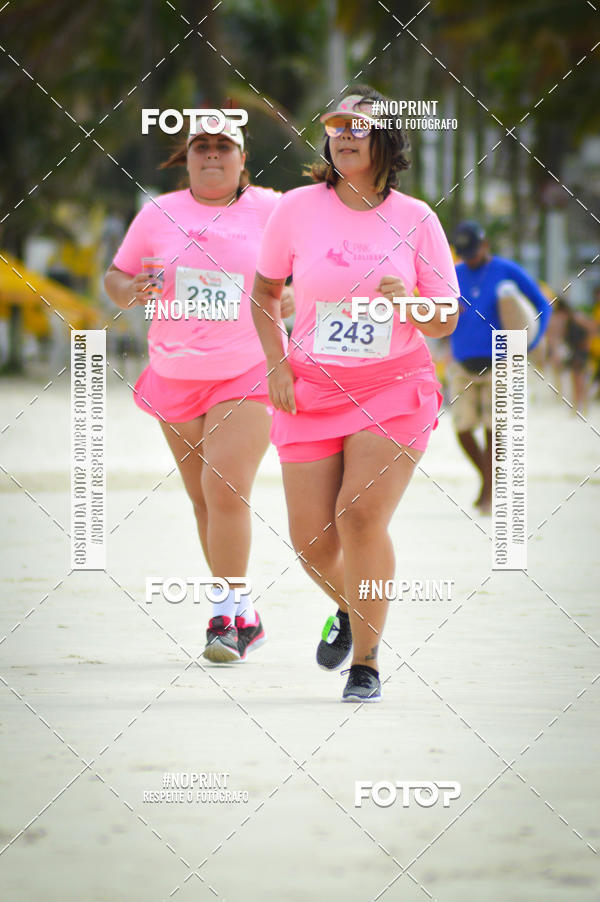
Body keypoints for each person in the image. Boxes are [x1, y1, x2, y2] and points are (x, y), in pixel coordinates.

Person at [251, 86, 459, 703]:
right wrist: (277, 364)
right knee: (314, 543)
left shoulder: (417, 218)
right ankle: (351, 607)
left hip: (394, 387)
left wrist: (412, 304)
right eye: (335, 124)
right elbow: (263, 295)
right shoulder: (294, 208)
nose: (344, 133)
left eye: (358, 125)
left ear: (386, 138)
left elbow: (446, 316)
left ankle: (365, 663)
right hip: (311, 388)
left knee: (360, 516)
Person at [104, 113, 293, 663]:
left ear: (242, 159)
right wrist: (130, 289)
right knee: (202, 501)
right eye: (201, 147)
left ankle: (223, 616)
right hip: (175, 374)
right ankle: (247, 614)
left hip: (247, 369)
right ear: (186, 158)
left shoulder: (273, 208)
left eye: (223, 147)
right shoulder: (158, 213)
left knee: (225, 490)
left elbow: (310, 269)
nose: (212, 155)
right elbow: (115, 277)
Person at [449, 221, 550, 514]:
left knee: (495, 429)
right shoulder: (454, 274)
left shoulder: (508, 270)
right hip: (462, 362)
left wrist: (532, 341)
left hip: (501, 362)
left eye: (473, 250)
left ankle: (488, 492)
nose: (469, 257)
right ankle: (487, 481)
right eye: (463, 252)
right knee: (463, 428)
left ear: (485, 245)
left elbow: (543, 303)